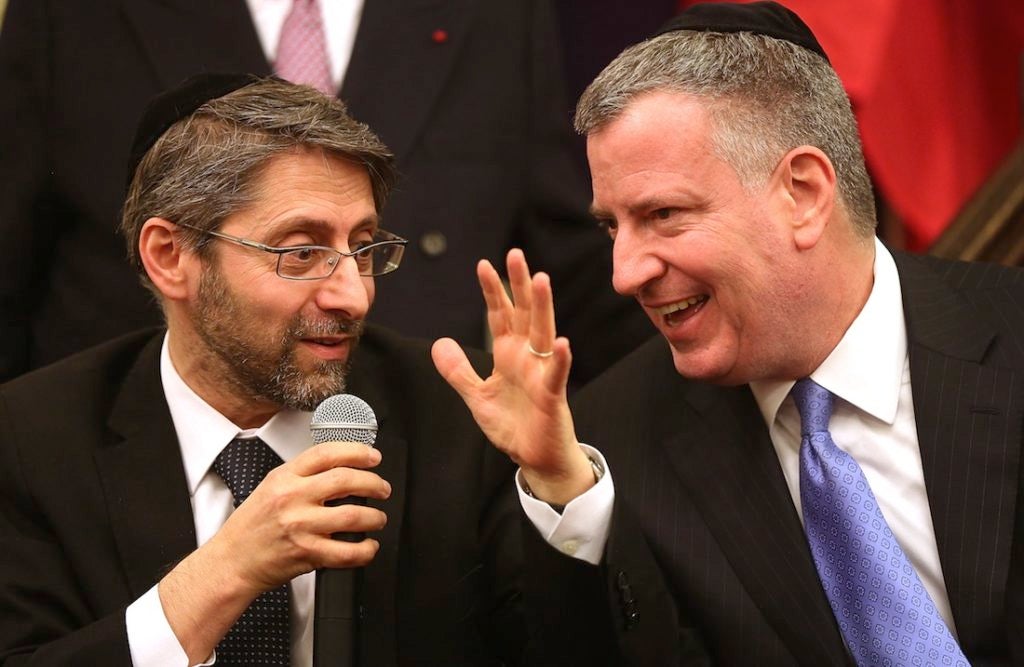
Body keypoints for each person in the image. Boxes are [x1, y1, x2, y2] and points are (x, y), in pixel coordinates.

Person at [432, 2, 1024, 665]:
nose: (624, 274)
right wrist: (557, 482)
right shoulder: (614, 444)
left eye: (663, 214)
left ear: (801, 192)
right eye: (610, 226)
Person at [0, 75, 528, 666]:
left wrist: (562, 489)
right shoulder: (28, 441)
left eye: (363, 247)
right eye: (301, 253)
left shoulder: (459, 413)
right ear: (170, 257)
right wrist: (225, 572)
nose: (353, 296)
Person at [0, 0, 651, 386]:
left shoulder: (490, 11)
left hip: (409, 499)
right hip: (136, 487)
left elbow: (575, 268)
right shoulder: (73, 12)